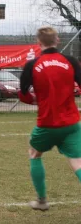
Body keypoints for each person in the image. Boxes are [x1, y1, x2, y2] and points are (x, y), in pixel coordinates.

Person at [18, 26, 81, 211]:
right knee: (77, 162)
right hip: (71, 122)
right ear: (57, 40)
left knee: (34, 153)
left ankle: (42, 201)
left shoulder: (32, 65)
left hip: (47, 122)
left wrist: (34, 100)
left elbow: (22, 93)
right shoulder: (70, 61)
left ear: (39, 43)